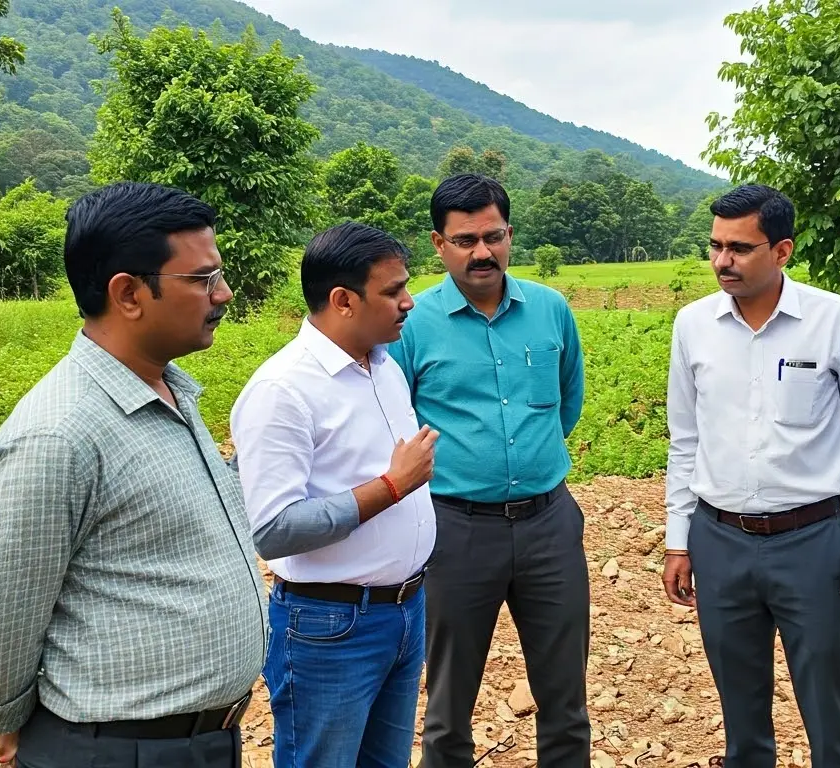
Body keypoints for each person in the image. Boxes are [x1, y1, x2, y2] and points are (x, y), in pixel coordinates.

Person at [0, 181, 267, 768]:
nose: (224, 293)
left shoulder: (166, 391)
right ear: (128, 293)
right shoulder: (59, 436)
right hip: (117, 752)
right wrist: (6, 722)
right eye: (202, 279)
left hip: (197, 743)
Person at [662, 184, 840, 768]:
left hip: (812, 541)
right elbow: (685, 440)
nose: (722, 261)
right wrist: (678, 541)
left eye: (739, 248)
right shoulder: (693, 324)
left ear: (782, 250)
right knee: (739, 705)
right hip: (719, 539)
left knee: (828, 701)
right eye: (715, 246)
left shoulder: (835, 321)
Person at [387, 173, 590, 768]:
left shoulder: (550, 310)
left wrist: (525, 461)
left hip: (549, 524)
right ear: (438, 244)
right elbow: (393, 419)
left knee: (565, 697)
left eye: (493, 236)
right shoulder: (412, 323)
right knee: (449, 704)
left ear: (509, 234)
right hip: (455, 528)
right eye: (465, 240)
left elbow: (567, 401)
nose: (482, 252)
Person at [229, 222, 438, 768]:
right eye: (393, 291)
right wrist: (392, 487)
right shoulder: (282, 391)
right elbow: (273, 529)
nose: (409, 302)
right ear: (344, 300)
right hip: (330, 626)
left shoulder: (384, 366)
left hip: (404, 610)